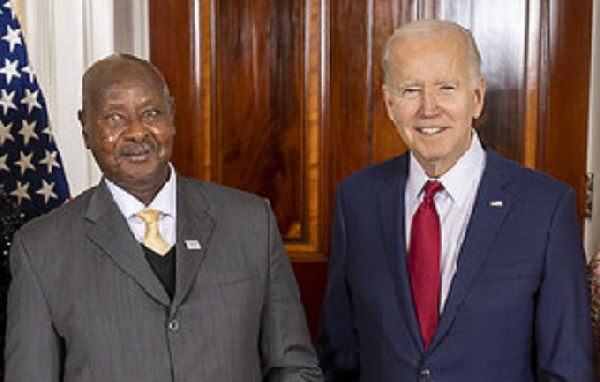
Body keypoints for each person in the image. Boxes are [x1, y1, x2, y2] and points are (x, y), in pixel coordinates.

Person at [4, 53, 323, 381]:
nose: (137, 132)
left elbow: (294, 367)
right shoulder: (40, 249)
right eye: (114, 118)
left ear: (171, 117)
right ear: (85, 129)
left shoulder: (252, 223)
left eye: (151, 113)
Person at [317, 19, 593, 381]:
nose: (428, 108)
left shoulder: (545, 207)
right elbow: (339, 356)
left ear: (476, 97)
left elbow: (566, 369)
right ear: (389, 103)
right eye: (410, 90)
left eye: (446, 87)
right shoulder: (357, 200)